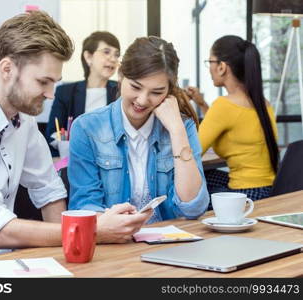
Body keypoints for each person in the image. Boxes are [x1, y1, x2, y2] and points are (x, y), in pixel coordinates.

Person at [0, 11, 151, 264]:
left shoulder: (21, 120)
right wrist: (93, 229)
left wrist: (74, 253)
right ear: (7, 69)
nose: (50, 94)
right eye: (43, 82)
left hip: (3, 265)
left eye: (54, 83)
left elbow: (48, 190)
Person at [68, 36, 209, 223]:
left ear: (168, 92)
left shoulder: (183, 127)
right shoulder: (87, 128)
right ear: (120, 76)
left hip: (170, 243)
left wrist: (177, 131)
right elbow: (84, 208)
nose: (142, 100)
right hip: (114, 243)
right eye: (135, 87)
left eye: (157, 92)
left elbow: (193, 207)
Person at [186, 35, 278, 200]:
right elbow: (232, 123)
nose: (209, 68)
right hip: (270, 189)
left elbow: (193, 151)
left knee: (184, 189)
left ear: (221, 67)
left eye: (210, 62)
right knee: (209, 175)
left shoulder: (223, 105)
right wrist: (202, 104)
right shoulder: (263, 103)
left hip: (247, 195)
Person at [45, 31, 120, 154]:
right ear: (88, 57)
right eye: (106, 52)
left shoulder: (120, 92)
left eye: (117, 55)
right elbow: (51, 134)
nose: (113, 59)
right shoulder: (65, 92)